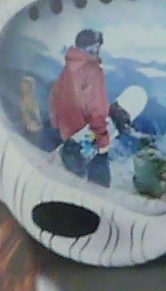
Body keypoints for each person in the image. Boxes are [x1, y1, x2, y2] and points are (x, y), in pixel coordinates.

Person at [48, 28, 111, 187]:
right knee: (99, 186)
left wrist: (58, 128)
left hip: (67, 137)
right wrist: (102, 140)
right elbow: (96, 108)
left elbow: (54, 99)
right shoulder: (93, 71)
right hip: (88, 137)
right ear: (93, 47)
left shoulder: (67, 68)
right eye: (98, 46)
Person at [18, 76, 44, 145]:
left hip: (31, 128)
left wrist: (33, 123)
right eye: (22, 85)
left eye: (25, 86)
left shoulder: (31, 99)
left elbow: (34, 113)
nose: (22, 87)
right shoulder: (23, 98)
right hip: (26, 127)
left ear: (30, 87)